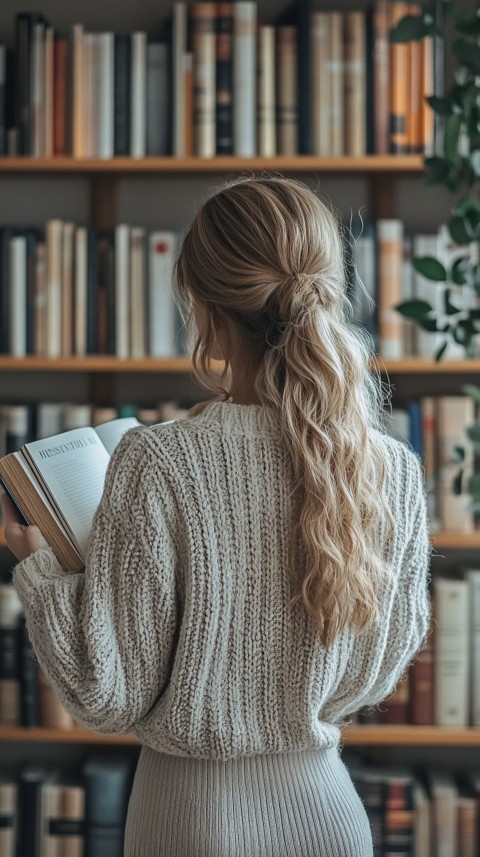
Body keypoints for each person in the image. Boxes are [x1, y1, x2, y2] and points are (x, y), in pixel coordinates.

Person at [3, 176, 431, 857]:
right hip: (331, 818)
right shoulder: (392, 470)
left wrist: (43, 568)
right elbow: (373, 677)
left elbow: (104, 695)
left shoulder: (159, 460)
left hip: (189, 823)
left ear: (204, 311)